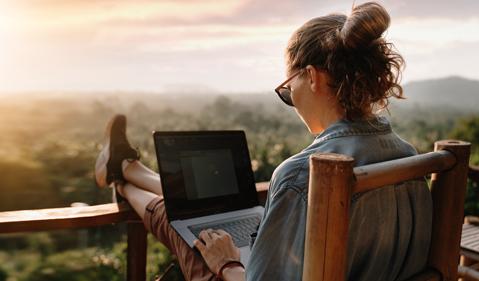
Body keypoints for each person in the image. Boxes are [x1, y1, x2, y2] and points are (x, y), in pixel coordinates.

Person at [94, 2, 432, 281]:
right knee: (196, 216)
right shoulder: (408, 157)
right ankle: (127, 170)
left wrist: (227, 263)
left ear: (312, 77)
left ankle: (122, 178)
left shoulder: (303, 174)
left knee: (185, 226)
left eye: (288, 89)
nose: (291, 99)